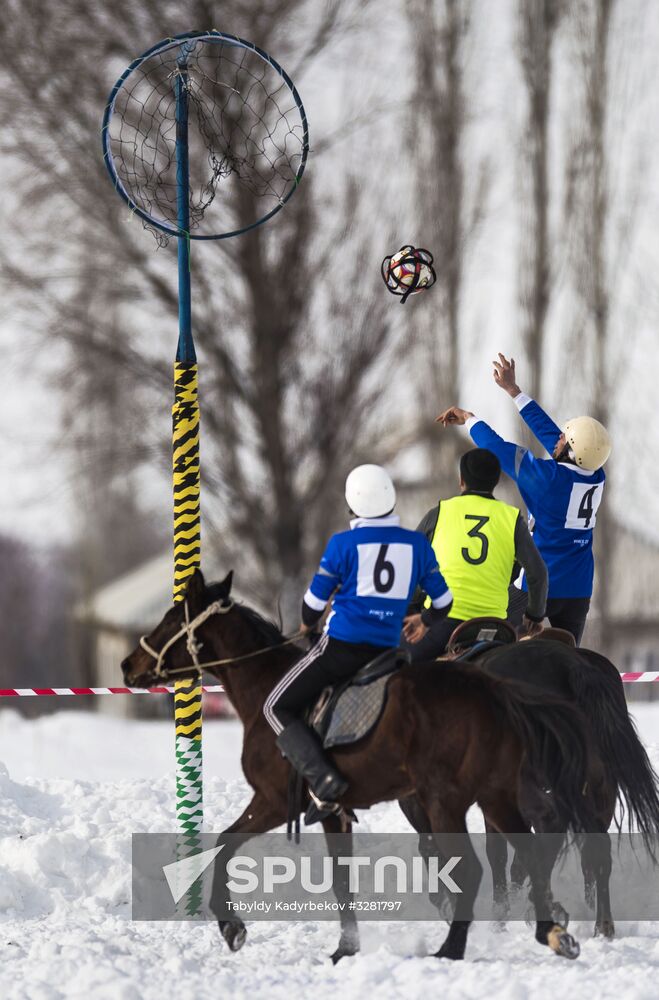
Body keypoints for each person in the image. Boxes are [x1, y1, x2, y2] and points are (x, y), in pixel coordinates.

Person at [264, 463, 453, 821]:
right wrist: (424, 621)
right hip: (389, 652)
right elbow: (443, 603)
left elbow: (313, 605)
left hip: (341, 647)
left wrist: (306, 626)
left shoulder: (342, 544)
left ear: (352, 504)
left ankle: (322, 781)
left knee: (274, 706)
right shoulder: (416, 544)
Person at [437, 353, 612, 645]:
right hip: (578, 589)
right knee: (568, 667)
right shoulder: (596, 475)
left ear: (569, 451)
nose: (557, 438)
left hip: (539, 585)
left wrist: (469, 419)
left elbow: (497, 447)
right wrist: (514, 392)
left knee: (490, 646)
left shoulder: (546, 478)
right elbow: (555, 437)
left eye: (563, 439)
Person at [402, 448, 547, 659]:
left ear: (462, 480)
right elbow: (538, 573)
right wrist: (535, 614)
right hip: (497, 627)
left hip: (444, 623)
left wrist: (413, 607)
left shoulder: (439, 512)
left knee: (395, 659)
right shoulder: (512, 518)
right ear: (495, 482)